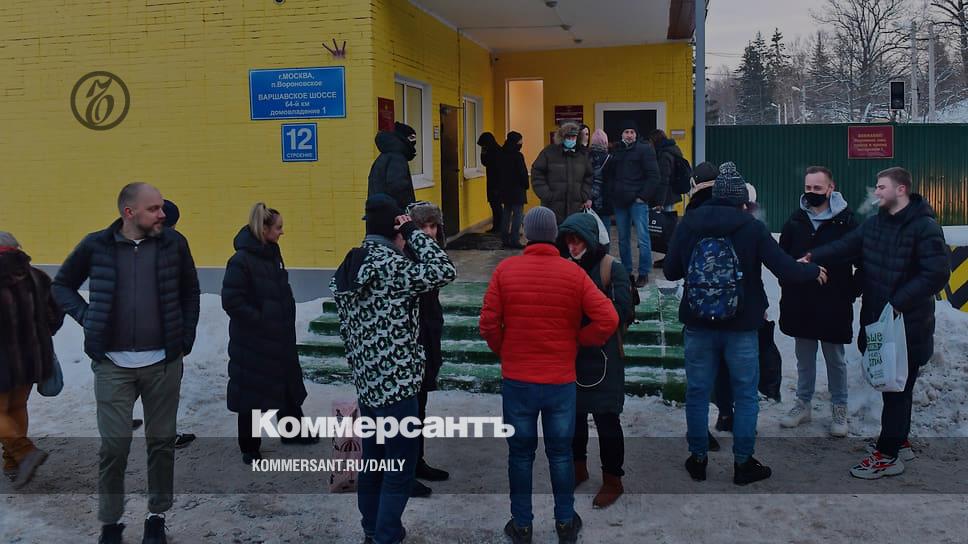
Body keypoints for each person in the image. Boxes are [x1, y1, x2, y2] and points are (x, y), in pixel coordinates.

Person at [52, 182, 200, 544]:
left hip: (163, 364)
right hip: (112, 365)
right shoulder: (96, 245)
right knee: (114, 447)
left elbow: (190, 291)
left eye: (161, 206)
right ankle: (111, 523)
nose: (163, 214)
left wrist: (184, 338)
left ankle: (156, 517)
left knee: (161, 443)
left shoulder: (174, 243)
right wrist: (89, 318)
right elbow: (61, 285)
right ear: (129, 212)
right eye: (154, 208)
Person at [663, 163, 826, 486]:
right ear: (742, 201)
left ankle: (698, 459)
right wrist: (813, 271)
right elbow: (784, 268)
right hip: (741, 326)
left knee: (697, 393)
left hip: (698, 324)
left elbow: (670, 271)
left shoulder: (689, 223)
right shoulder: (751, 227)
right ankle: (743, 463)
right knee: (746, 395)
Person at [480, 206, 618, 544]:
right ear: (554, 235)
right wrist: (579, 340)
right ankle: (565, 523)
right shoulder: (573, 274)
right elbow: (609, 319)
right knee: (560, 453)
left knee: (520, 454)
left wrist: (506, 351)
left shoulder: (505, 270)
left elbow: (488, 324)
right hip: (560, 382)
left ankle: (522, 525)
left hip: (518, 382)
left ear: (527, 234)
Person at [803, 167, 950, 479]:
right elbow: (847, 246)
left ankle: (887, 455)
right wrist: (815, 255)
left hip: (907, 326)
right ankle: (899, 443)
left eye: (882, 187)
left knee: (898, 391)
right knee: (893, 388)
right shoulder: (876, 224)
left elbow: (937, 274)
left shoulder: (924, 227)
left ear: (901, 190)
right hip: (879, 322)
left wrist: (898, 302)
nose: (876, 192)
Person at [331, 194, 456, 544]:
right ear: (397, 231)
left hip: (368, 385)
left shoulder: (352, 263)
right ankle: (386, 534)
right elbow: (444, 269)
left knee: (374, 461)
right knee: (399, 466)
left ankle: (372, 529)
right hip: (398, 387)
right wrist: (415, 232)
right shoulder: (393, 267)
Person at [222, 203, 312, 466]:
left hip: (279, 336)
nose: (282, 232)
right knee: (252, 393)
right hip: (253, 342)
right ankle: (249, 447)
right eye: (278, 227)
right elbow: (232, 301)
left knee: (286, 384)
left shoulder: (272, 253)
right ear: (263, 229)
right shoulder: (240, 261)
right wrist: (262, 320)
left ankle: (293, 430)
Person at [555, 213, 633, 509]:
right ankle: (578, 468)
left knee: (607, 419)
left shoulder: (611, 267)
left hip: (604, 355)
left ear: (589, 239)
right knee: (573, 417)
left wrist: (586, 317)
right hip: (572, 354)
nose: (572, 246)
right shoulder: (563, 266)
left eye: (578, 240)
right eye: (568, 241)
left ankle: (613, 479)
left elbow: (622, 311)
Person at [778, 166, 859, 437]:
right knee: (804, 358)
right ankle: (803, 404)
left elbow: (863, 261)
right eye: (808, 188)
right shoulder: (795, 221)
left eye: (817, 188)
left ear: (831, 188)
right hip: (800, 302)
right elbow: (782, 260)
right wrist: (790, 280)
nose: (812, 193)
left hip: (834, 303)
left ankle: (839, 407)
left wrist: (851, 290)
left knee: (835, 358)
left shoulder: (847, 222)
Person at [0, 232, 64, 488]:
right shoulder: (38, 276)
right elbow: (55, 314)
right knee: (17, 407)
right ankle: (12, 462)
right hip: (32, 358)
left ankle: (24, 452)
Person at [403, 201, 451, 498]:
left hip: (429, 335)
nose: (430, 233)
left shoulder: (431, 256)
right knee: (409, 409)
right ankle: (404, 470)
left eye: (434, 226)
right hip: (413, 341)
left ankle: (416, 461)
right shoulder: (407, 258)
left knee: (420, 406)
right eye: (423, 227)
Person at [605, 120, 661, 287]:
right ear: (621, 134)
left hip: (638, 202)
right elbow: (610, 175)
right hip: (620, 201)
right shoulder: (616, 150)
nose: (629, 135)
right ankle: (626, 271)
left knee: (643, 238)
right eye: (626, 132)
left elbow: (654, 176)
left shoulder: (645, 149)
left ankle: (643, 272)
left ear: (636, 134)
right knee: (623, 239)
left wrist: (642, 196)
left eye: (632, 132)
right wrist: (613, 192)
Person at [531, 122, 594, 224]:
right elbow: (537, 173)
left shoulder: (582, 155)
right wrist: (547, 195)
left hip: (575, 208)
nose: (571, 139)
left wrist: (584, 195)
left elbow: (589, 176)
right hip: (552, 208)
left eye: (573, 137)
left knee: (572, 233)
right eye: (568, 137)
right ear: (562, 137)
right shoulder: (549, 152)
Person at [368, 122, 418, 209]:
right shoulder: (397, 158)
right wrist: (407, 210)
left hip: (379, 211)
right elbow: (398, 188)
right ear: (403, 139)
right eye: (411, 138)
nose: (414, 142)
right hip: (393, 213)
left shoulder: (385, 156)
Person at [497, 131, 529, 249]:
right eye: (520, 140)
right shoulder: (517, 156)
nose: (521, 143)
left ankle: (505, 239)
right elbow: (522, 173)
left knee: (506, 213)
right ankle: (515, 239)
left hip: (505, 189)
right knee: (517, 215)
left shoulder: (501, 154)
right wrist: (526, 185)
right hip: (517, 190)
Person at [587, 129, 614, 237]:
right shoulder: (609, 158)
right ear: (605, 142)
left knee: (590, 232)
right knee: (605, 234)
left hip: (589, 199)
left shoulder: (587, 157)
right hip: (605, 199)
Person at [478, 132, 503, 234]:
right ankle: (497, 226)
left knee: (496, 206)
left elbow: (486, 162)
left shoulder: (496, 152)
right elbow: (484, 162)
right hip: (494, 182)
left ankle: (498, 227)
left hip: (495, 182)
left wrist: (483, 152)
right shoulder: (496, 150)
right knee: (495, 205)